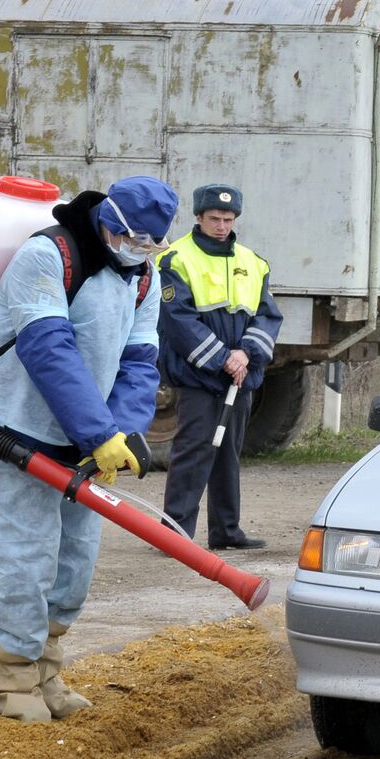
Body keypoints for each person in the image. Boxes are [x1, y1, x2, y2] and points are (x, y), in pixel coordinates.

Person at [0, 175, 180, 722]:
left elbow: (139, 358)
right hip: (17, 429)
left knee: (75, 564)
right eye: (133, 239)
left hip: (87, 442)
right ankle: (9, 680)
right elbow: (48, 347)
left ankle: (45, 671)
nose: (139, 251)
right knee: (27, 559)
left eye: (151, 245)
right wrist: (99, 432)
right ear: (109, 220)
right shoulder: (47, 255)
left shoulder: (142, 277)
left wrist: (124, 431)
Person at [157, 183, 283, 550]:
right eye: (215, 218)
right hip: (199, 374)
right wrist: (222, 358)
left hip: (239, 376)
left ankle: (226, 532)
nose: (222, 225)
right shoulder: (176, 259)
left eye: (228, 219)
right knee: (194, 449)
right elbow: (177, 320)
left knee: (228, 452)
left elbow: (268, 315)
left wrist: (246, 354)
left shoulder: (253, 262)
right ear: (198, 217)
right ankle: (174, 533)